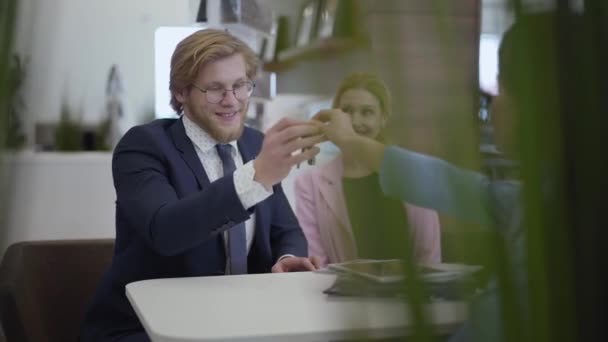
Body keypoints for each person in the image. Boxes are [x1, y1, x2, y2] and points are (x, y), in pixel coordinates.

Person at [311, 14, 563, 342]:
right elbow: (453, 184)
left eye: (500, 88)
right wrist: (352, 143)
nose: (492, 104)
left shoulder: (549, 218)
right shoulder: (534, 199)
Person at [80, 29, 323, 342]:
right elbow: (165, 230)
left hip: (237, 324)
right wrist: (256, 177)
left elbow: (285, 230)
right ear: (181, 92)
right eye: (215, 89)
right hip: (147, 329)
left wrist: (287, 260)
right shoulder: (143, 147)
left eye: (240, 86)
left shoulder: (255, 143)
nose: (231, 100)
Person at [294, 72, 441, 266]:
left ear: (384, 118)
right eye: (346, 111)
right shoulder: (309, 185)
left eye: (367, 112)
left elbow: (429, 256)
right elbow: (315, 263)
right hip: (340, 294)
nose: (355, 122)